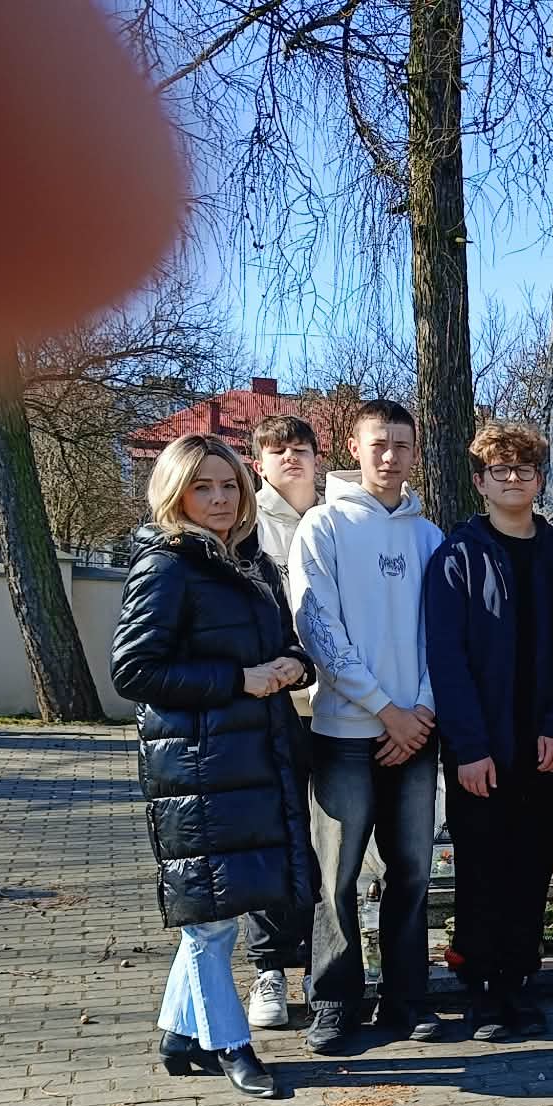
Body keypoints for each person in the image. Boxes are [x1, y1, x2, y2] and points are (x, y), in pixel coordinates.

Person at [111, 434, 315, 1100]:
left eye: (229, 485)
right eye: (203, 487)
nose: (220, 499)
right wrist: (239, 680)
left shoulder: (251, 562)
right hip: (196, 767)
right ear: (175, 492)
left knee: (219, 908)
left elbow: (288, 644)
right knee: (210, 920)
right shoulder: (167, 565)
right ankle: (231, 1044)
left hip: (252, 757)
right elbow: (134, 671)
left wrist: (292, 666)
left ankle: (178, 1034)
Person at [289, 399, 445, 1053]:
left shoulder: (429, 537)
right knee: (338, 876)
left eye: (402, 445)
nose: (390, 456)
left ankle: (407, 1000)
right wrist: (386, 710)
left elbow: (444, 636)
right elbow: (317, 627)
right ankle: (335, 1001)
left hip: (417, 736)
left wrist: (421, 712)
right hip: (345, 733)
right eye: (379, 443)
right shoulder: (323, 526)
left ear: (415, 453)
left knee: (412, 872)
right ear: (354, 448)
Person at [424, 421, 553, 1041]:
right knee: (482, 867)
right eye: (500, 470)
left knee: (533, 865)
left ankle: (519, 979)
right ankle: (482, 985)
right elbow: (446, 659)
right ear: (480, 481)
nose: (513, 479)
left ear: (539, 479)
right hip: (481, 746)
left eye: (524, 469)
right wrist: (469, 746)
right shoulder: (457, 556)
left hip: (547, 745)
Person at [237, 412, 323, 1031]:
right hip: (272, 706)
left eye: (301, 448)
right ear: (258, 462)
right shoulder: (245, 526)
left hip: (340, 707)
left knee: (334, 847)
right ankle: (269, 968)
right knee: (271, 840)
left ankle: (327, 963)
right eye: (277, 450)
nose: (290, 458)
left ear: (319, 457)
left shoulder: (339, 516)